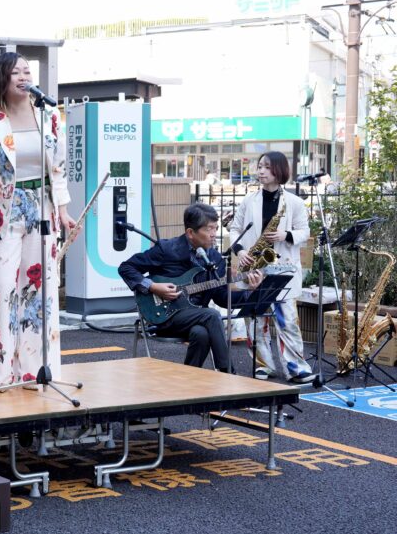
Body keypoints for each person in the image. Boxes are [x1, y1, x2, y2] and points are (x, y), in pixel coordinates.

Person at [0, 52, 75, 391]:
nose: (24, 77)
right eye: (16, 72)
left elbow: (58, 169)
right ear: (2, 78)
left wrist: (63, 210)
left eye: (27, 71)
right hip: (4, 212)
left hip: (42, 209)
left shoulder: (49, 115)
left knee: (40, 292)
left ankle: (36, 371)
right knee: (4, 290)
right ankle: (0, 375)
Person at [118, 202, 263, 373]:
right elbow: (126, 268)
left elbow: (222, 298)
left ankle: (189, 379)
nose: (214, 234)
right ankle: (228, 373)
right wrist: (153, 287)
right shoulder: (167, 249)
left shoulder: (215, 259)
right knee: (211, 315)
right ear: (190, 233)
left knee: (201, 334)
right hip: (164, 315)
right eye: (209, 229)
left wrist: (251, 292)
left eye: (216, 228)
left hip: (196, 317)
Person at [229, 151, 316, 383]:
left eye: (267, 167)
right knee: (255, 320)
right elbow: (235, 230)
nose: (261, 171)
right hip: (254, 267)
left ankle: (297, 368)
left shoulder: (295, 202)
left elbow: (304, 232)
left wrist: (285, 234)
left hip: (283, 268)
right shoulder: (248, 200)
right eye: (259, 166)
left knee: (288, 320)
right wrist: (241, 251)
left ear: (279, 170)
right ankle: (263, 365)